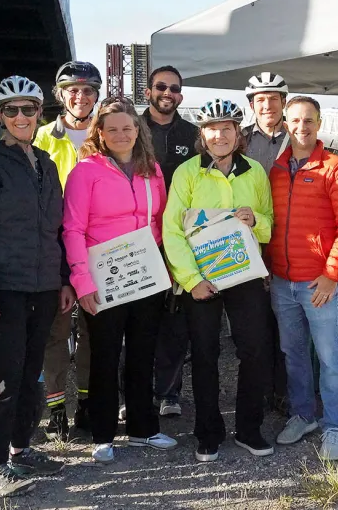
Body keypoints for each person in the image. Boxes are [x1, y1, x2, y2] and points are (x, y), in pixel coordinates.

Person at [0, 76, 70, 496]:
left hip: (43, 286)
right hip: (4, 286)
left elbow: (56, 230)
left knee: (30, 373)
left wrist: (62, 280)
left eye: (28, 109)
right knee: (6, 376)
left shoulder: (45, 163)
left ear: (39, 113)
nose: (21, 116)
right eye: (12, 110)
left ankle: (21, 449)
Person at [63, 97, 176, 464]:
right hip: (103, 278)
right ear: (100, 133)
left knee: (144, 352)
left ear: (137, 130)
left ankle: (144, 427)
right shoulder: (85, 171)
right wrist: (82, 282)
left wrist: (167, 268)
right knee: (105, 355)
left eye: (127, 127)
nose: (121, 134)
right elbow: (73, 228)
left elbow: (159, 223)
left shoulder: (153, 170)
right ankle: (103, 432)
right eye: (112, 129)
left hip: (146, 274)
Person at [163, 98, 275, 462]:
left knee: (255, 351)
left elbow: (270, 223)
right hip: (202, 278)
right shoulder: (187, 172)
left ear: (238, 133)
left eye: (227, 128)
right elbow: (172, 231)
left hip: (243, 274)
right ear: (202, 134)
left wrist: (256, 220)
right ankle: (208, 432)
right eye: (213, 128)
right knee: (206, 355)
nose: (220, 135)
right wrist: (191, 279)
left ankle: (248, 429)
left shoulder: (255, 171)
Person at [269, 96, 338, 461]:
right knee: (293, 355)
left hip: (321, 284)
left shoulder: (336, 168)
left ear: (319, 124)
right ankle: (304, 415)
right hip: (281, 281)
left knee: (329, 359)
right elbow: (270, 222)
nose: (301, 127)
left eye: (309, 120)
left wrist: (331, 275)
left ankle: (334, 427)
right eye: (295, 120)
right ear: (286, 124)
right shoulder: (276, 169)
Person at [34, 60, 103, 440]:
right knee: (56, 332)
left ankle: (89, 403)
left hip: (99, 246)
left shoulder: (107, 134)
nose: (81, 97)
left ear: (96, 96)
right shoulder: (43, 136)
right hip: (56, 247)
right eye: (73, 90)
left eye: (88, 91)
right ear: (60, 95)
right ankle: (57, 406)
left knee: (95, 330)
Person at [142, 65, 199, 418]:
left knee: (174, 321)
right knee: (135, 319)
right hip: (138, 239)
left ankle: (169, 392)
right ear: (148, 91)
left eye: (174, 88)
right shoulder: (130, 128)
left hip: (178, 238)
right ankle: (129, 390)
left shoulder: (193, 134)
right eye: (161, 86)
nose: (168, 93)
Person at [241, 72, 290, 413]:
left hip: (287, 236)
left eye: (274, 99)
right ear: (251, 105)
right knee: (254, 324)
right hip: (250, 238)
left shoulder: (298, 138)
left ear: (284, 103)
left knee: (285, 323)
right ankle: (257, 390)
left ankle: (284, 391)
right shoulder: (240, 140)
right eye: (261, 100)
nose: (267, 105)